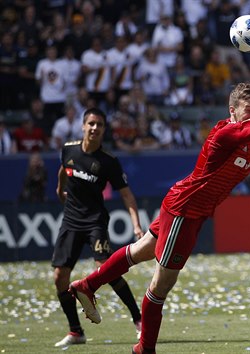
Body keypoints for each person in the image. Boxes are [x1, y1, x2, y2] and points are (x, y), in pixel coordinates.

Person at [68, 54, 250, 354]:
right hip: (185, 211)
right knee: (160, 287)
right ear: (232, 111)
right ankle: (144, 348)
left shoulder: (249, 130)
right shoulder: (228, 133)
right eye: (248, 110)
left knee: (139, 252)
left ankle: (87, 285)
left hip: (188, 207)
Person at [53, 107, 144, 347]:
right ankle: (76, 331)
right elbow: (64, 169)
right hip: (71, 221)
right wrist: (59, 189)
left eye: (99, 125)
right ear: (83, 126)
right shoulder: (68, 150)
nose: (94, 128)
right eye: (91, 123)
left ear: (103, 130)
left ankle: (139, 320)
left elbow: (127, 196)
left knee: (105, 269)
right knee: (60, 277)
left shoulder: (108, 162)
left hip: (95, 221)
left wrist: (136, 225)